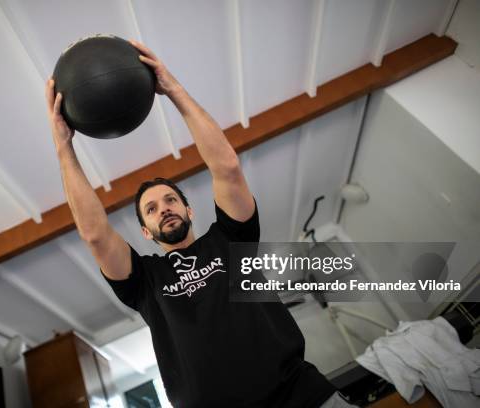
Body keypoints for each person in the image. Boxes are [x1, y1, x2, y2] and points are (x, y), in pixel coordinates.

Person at [46, 40, 357, 408]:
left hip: (303, 397)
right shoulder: (144, 282)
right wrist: (64, 147)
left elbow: (226, 168)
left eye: (171, 200)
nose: (163, 208)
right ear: (145, 232)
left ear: (190, 210)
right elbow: (95, 235)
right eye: (151, 209)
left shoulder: (231, 239)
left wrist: (174, 90)